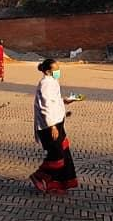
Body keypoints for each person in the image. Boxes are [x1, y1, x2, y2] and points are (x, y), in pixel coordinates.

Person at [29, 58, 78, 194]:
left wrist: (65, 101)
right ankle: (39, 175)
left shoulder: (53, 82)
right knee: (56, 157)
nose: (58, 71)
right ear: (48, 71)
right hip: (49, 126)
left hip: (58, 122)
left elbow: (53, 101)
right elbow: (46, 106)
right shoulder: (46, 84)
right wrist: (52, 126)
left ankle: (57, 184)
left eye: (58, 68)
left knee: (64, 153)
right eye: (55, 69)